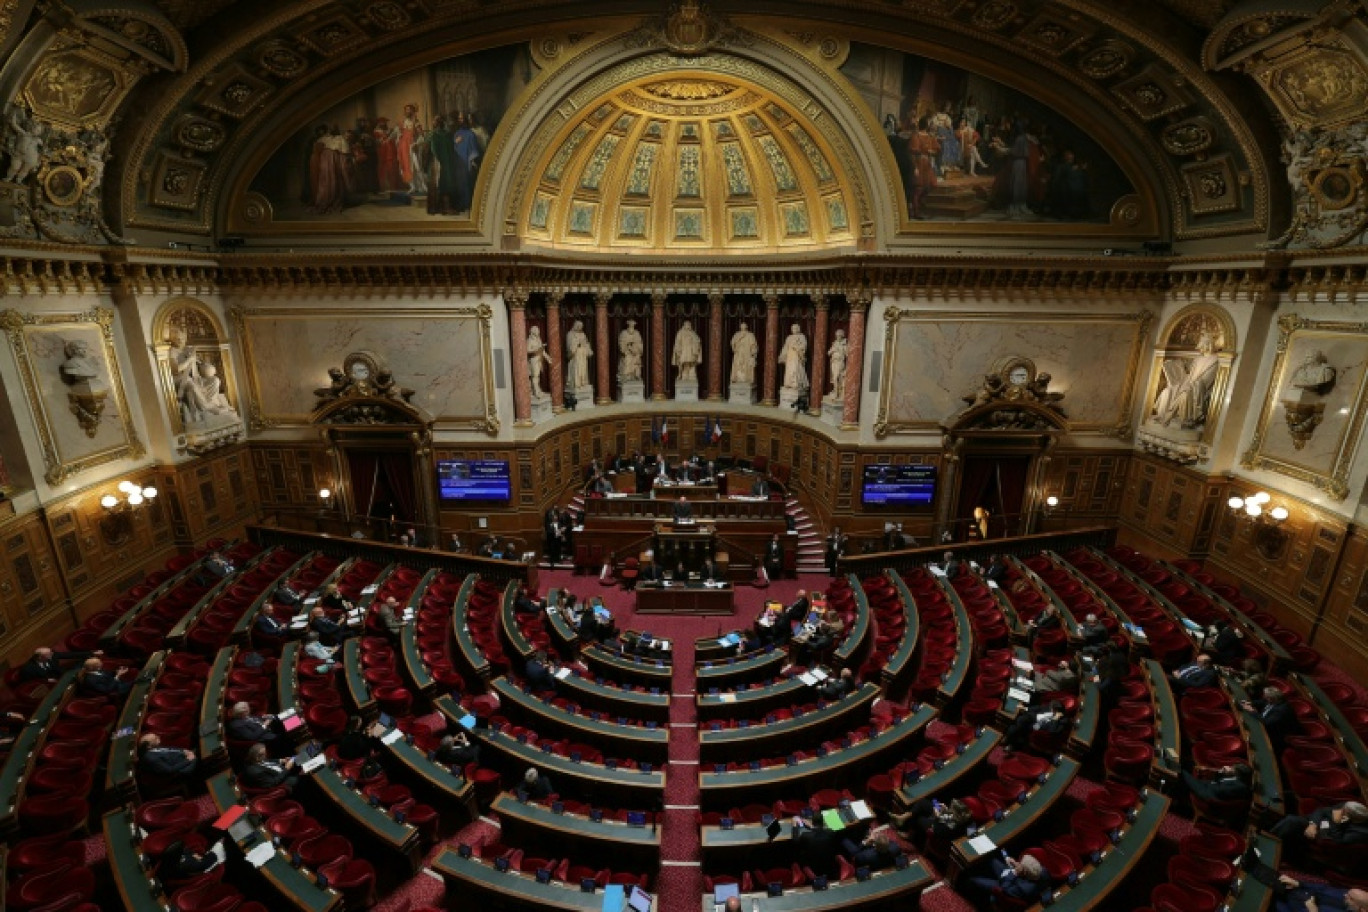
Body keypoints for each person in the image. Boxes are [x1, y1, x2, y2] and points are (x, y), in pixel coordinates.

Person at [1271, 801, 1368, 860]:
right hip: (1315, 824)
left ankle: (1272, 843)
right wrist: (1313, 825)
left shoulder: (1361, 832)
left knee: (1291, 821)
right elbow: (1322, 811)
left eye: (1344, 811)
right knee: (1291, 820)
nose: (1341, 809)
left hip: (1324, 840)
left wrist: (1336, 822)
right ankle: (1271, 837)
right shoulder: (1347, 806)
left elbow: (1338, 841)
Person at [963, 852, 1047, 907]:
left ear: (1024, 872)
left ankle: (965, 893)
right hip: (1014, 876)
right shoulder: (1043, 871)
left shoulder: (1022, 889)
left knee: (973, 880)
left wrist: (1014, 873)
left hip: (1005, 884)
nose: (1019, 863)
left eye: (1020, 864)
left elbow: (1004, 888)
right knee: (991, 859)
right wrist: (1015, 864)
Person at [1242, 686, 1302, 751]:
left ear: (1271, 699)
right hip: (1266, 725)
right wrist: (1250, 703)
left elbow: (1266, 722)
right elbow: (1262, 702)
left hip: (1275, 735)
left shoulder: (1281, 710)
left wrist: (1252, 711)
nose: (1264, 697)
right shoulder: (1275, 700)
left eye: (1266, 697)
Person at [1273, 876, 1368, 912]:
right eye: (1348, 893)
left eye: (1350, 898)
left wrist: (1313, 910)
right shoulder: (1345, 894)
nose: (1345, 895)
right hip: (1303, 894)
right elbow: (1324, 888)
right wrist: (1299, 883)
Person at [1003, 700, 1067, 752]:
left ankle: (1011, 743)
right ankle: (1011, 740)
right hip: (1033, 719)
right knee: (1020, 720)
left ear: (1057, 711)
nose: (1050, 709)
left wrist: (1055, 719)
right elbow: (1039, 707)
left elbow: (1052, 731)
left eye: (1052, 709)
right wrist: (1026, 708)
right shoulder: (1050, 707)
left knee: (1013, 728)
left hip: (1037, 731)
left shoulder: (1062, 721)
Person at [1182, 762, 1252, 804]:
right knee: (1188, 769)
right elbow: (1218, 782)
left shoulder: (1239, 786)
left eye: (1232, 768)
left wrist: (1215, 780)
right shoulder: (1236, 778)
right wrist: (1221, 772)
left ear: (1238, 773)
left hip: (1208, 794)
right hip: (1208, 786)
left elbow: (1218, 790)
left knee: (1183, 773)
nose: (1230, 768)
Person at [19, 646, 95, 682]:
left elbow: (69, 655)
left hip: (63, 675)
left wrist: (91, 652)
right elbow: (30, 682)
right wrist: (46, 680)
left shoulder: (52, 655)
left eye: (51, 652)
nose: (52, 654)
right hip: (51, 685)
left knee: (87, 660)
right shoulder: (28, 668)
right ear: (40, 657)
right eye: (49, 654)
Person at [778, 324, 808, 391]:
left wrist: (797, 348)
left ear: (798, 329)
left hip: (797, 355)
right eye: (793, 328)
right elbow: (786, 347)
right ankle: (789, 383)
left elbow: (804, 346)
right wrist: (782, 355)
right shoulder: (789, 337)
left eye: (795, 328)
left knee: (796, 368)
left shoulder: (802, 337)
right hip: (790, 355)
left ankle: (796, 383)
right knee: (789, 369)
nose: (794, 329)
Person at [565, 319, 593, 390]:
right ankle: (577, 384)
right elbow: (569, 347)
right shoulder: (570, 334)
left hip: (583, 355)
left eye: (581, 326)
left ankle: (583, 382)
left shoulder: (583, 334)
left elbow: (586, 343)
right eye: (578, 326)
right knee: (577, 369)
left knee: (583, 369)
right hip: (575, 355)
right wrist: (577, 343)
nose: (580, 328)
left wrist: (587, 348)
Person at [828, 329, 849, 397]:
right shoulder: (834, 343)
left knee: (837, 377)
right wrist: (833, 350)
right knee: (835, 377)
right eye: (837, 336)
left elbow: (847, 354)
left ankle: (837, 392)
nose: (838, 337)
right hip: (834, 362)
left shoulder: (845, 344)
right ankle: (836, 390)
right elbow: (828, 353)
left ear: (842, 336)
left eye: (839, 336)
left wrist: (840, 349)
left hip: (840, 362)